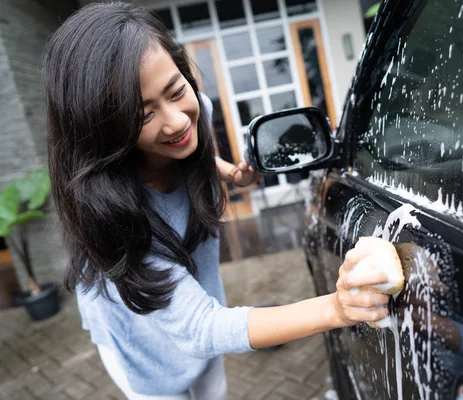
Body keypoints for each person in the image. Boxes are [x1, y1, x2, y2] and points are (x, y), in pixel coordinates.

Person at [42, 3, 393, 399]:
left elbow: (193, 141)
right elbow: (203, 330)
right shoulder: (118, 222)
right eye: (142, 115)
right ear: (104, 131)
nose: (176, 121)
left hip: (200, 321)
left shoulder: (191, 115)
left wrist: (228, 172)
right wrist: (336, 310)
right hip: (144, 344)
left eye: (176, 91)